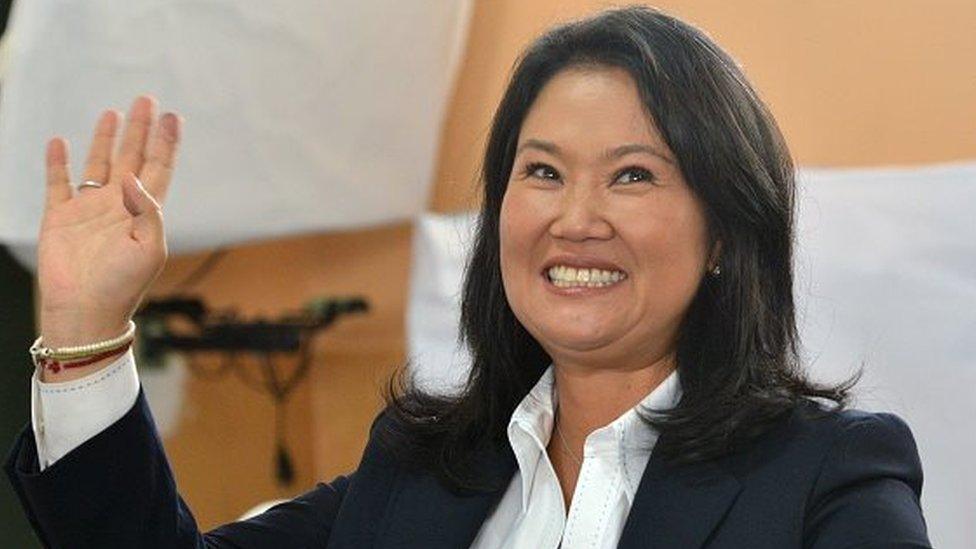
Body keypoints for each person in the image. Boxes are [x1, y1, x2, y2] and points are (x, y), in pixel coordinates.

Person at [5, 6, 931, 548]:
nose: (575, 217)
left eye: (634, 174)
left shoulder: (828, 476)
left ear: (728, 230)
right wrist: (86, 332)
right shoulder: (414, 472)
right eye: (542, 171)